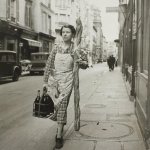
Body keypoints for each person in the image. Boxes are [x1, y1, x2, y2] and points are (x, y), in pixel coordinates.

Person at [43, 24, 77, 149]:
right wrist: (45, 81)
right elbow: (49, 64)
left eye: (68, 32)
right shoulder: (56, 47)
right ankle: (60, 126)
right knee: (55, 107)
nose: (65, 34)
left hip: (68, 81)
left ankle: (58, 136)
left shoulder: (75, 48)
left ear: (72, 34)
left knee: (62, 105)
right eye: (63, 32)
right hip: (55, 81)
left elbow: (82, 64)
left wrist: (82, 62)